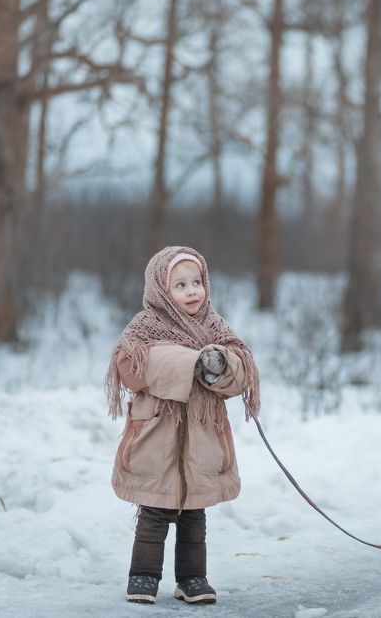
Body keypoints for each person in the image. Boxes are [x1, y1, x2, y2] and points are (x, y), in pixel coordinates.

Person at [104, 246, 260, 605]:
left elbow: (241, 362)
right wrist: (190, 362)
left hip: (203, 434)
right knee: (154, 510)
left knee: (194, 512)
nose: (192, 291)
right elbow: (131, 366)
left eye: (197, 282)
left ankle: (192, 578)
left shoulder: (214, 325)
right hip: (156, 433)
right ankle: (143, 575)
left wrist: (221, 364)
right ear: (160, 288)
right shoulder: (144, 325)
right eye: (180, 284)